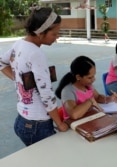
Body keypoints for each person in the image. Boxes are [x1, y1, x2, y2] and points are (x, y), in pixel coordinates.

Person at [0, 6, 68, 146]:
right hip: (38, 125)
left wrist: (17, 78)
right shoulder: (36, 54)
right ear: (40, 33)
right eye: (55, 34)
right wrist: (59, 123)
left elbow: (1, 63)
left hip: (22, 119)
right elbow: (46, 95)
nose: (57, 38)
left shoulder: (19, 44)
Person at [55, 56, 117, 120]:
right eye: (90, 77)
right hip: (76, 126)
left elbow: (98, 97)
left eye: (94, 75)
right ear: (78, 77)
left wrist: (110, 98)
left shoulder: (87, 85)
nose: (94, 79)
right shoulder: (68, 91)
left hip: (90, 119)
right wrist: (90, 101)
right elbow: (74, 114)